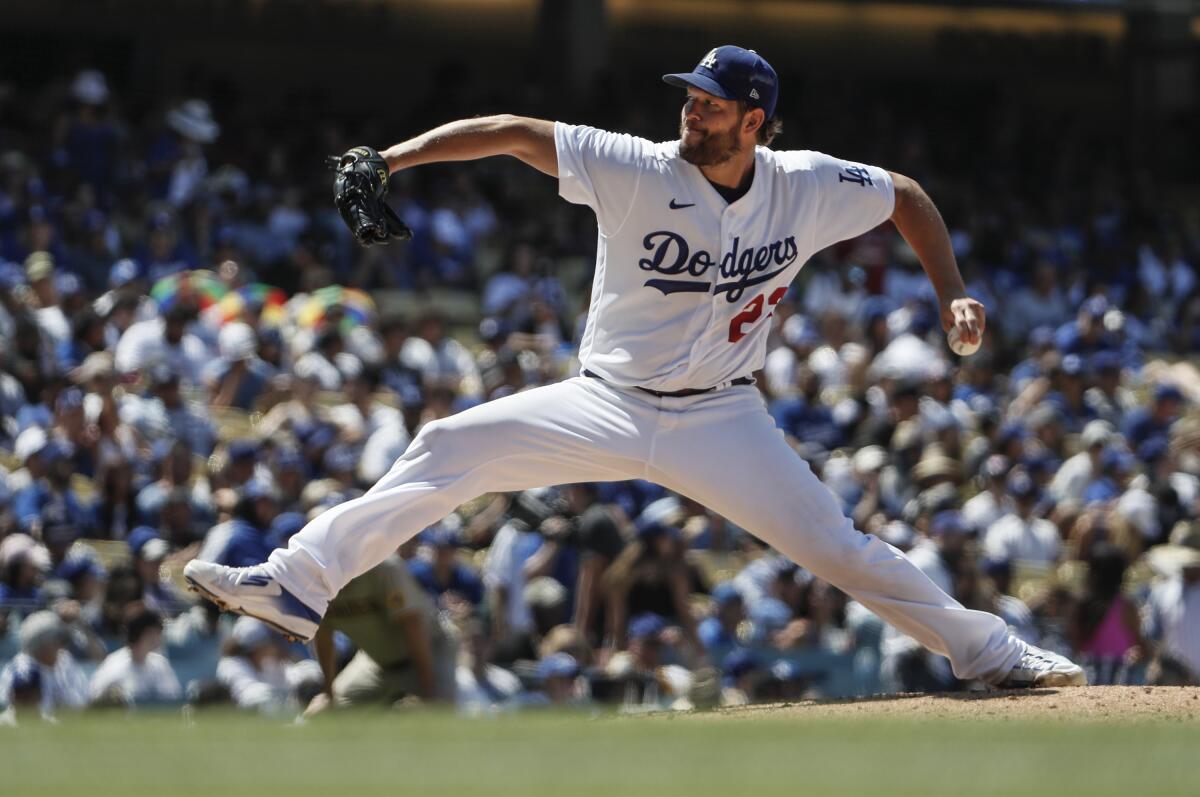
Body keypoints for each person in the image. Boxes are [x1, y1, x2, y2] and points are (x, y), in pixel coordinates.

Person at [185, 45, 1083, 689]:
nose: (690, 112)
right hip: (605, 402)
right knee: (448, 444)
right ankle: (296, 585)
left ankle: (990, 654)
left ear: (754, 119)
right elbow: (507, 131)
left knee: (838, 549)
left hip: (723, 418)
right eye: (688, 98)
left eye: (710, 103)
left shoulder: (806, 183)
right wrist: (391, 159)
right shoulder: (634, 167)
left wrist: (951, 292)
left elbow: (907, 197)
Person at [305, 554, 456, 712]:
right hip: (376, 661)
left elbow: (412, 625)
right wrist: (329, 694)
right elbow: (323, 640)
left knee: (436, 713)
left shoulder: (383, 567)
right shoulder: (316, 582)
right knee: (324, 711)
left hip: (430, 653)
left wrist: (428, 690)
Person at [88, 607, 183, 706]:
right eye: (154, 632)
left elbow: (172, 700)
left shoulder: (159, 663)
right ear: (144, 633)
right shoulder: (113, 666)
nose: (158, 637)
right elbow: (96, 701)